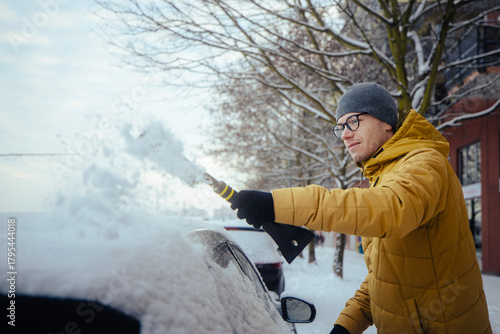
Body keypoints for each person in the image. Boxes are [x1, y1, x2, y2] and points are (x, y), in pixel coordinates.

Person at [230, 83, 491, 333]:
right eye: (340, 126)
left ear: (386, 121)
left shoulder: (424, 163)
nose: (344, 133)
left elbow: (390, 211)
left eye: (353, 121)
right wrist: (346, 325)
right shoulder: (382, 178)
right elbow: (385, 277)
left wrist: (276, 204)